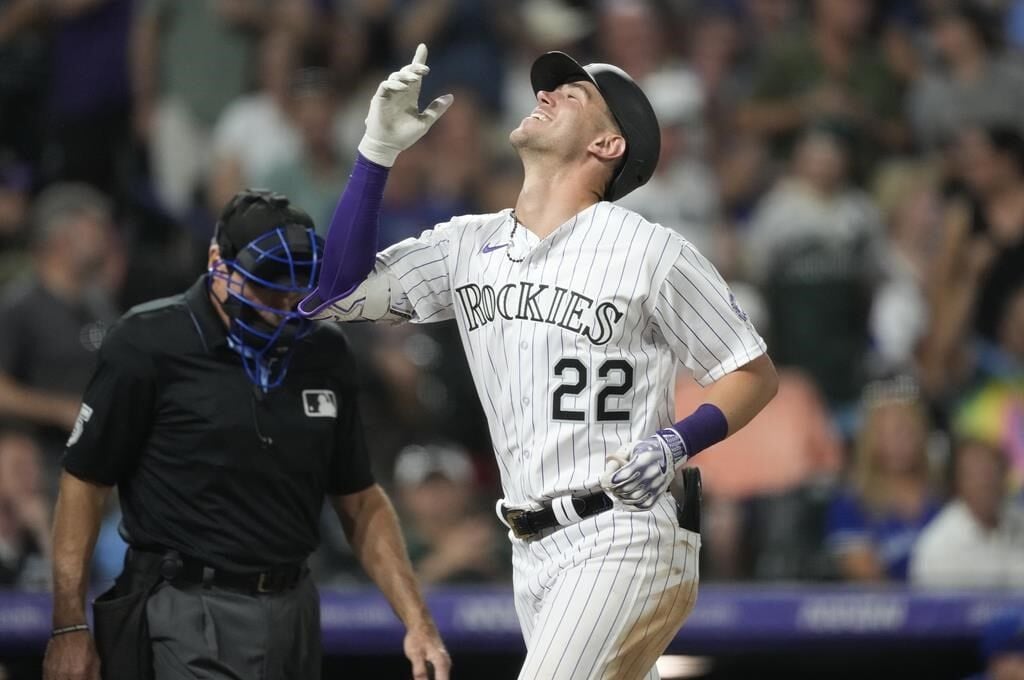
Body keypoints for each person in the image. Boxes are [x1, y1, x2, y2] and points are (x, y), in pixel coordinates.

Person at [299, 44, 778, 680]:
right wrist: (376, 153)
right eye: (547, 90)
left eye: (572, 95)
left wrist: (673, 443)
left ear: (607, 147)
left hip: (626, 531)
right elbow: (336, 294)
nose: (545, 95)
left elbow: (751, 372)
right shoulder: (469, 243)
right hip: (531, 545)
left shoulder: (650, 250)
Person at [41, 190, 449, 680]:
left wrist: (417, 621)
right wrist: (68, 625)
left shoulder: (324, 350)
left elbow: (360, 501)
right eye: (267, 287)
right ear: (219, 264)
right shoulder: (148, 342)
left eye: (295, 288)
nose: (284, 305)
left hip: (295, 606)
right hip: (186, 605)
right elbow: (84, 483)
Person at [825, 376, 942, 582]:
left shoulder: (942, 493)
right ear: (870, 440)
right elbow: (866, 578)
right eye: (887, 434)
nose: (897, 443)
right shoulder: (851, 504)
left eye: (904, 432)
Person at [910, 439, 1024, 588]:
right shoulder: (938, 546)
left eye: (991, 472)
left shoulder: (1019, 521)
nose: (985, 482)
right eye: (974, 475)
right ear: (958, 483)